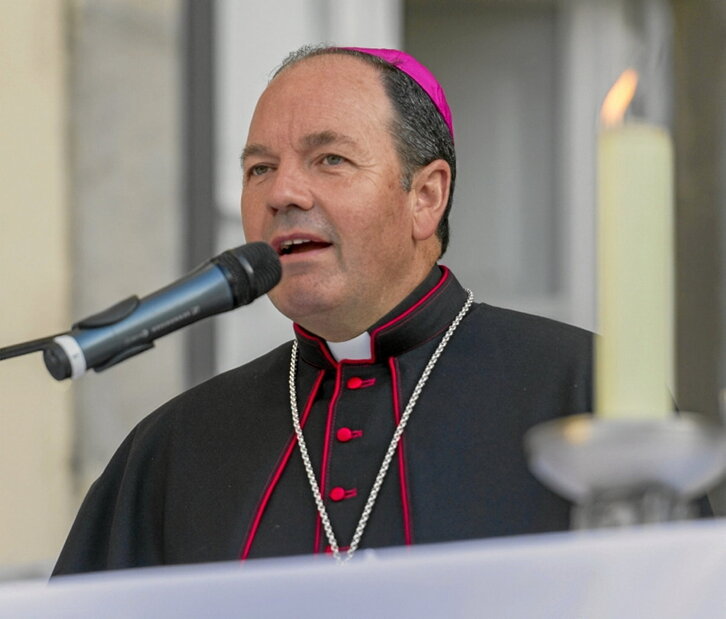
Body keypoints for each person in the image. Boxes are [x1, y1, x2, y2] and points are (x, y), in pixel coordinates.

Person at [52, 45, 592, 575]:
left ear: (426, 196)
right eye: (260, 169)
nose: (283, 192)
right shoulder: (173, 448)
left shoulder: (581, 391)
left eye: (330, 159)